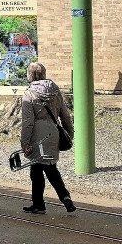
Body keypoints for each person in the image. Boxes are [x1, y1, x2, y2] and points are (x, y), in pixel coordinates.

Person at [20, 62, 76, 214]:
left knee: (40, 170)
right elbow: (65, 116)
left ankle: (41, 204)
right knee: (48, 167)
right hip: (53, 132)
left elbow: (27, 122)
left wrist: (24, 142)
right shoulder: (55, 91)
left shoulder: (29, 94)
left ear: (29, 75)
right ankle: (63, 198)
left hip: (37, 134)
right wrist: (69, 134)